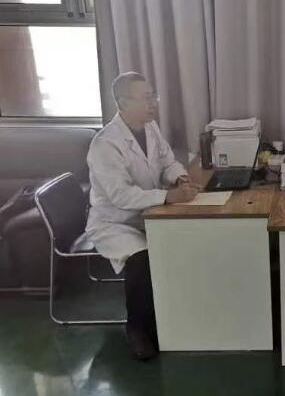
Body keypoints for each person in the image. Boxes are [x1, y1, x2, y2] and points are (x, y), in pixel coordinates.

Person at [86, 72, 198, 360]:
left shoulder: (149, 128)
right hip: (115, 223)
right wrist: (168, 196)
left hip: (149, 213)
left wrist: (179, 178)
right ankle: (137, 329)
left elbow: (167, 161)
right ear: (123, 102)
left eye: (153, 96)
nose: (154, 103)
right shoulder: (105, 144)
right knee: (142, 258)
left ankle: (176, 314)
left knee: (185, 241)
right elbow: (120, 196)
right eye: (146, 97)